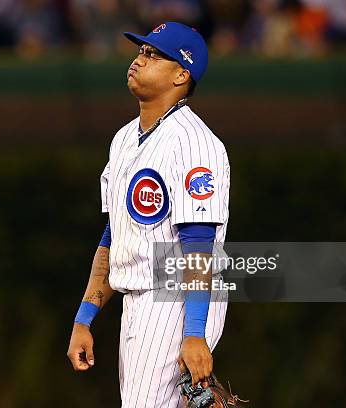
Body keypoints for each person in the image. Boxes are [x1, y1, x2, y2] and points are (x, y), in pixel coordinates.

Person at [67, 22, 231, 408]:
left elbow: (198, 244)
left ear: (181, 74)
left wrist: (194, 333)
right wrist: (84, 317)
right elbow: (114, 237)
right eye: (141, 51)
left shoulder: (194, 143)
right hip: (138, 298)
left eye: (153, 54)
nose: (139, 59)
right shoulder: (124, 139)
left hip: (174, 296)